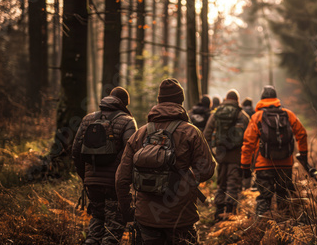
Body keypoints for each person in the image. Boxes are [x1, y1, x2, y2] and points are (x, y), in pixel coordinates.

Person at [116, 78, 216, 244]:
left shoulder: (140, 134)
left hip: (146, 218)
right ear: (180, 101)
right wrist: (187, 181)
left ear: (159, 101)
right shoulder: (191, 132)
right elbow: (207, 170)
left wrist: (129, 213)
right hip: (181, 217)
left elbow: (121, 179)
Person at [72, 87, 137, 245]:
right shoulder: (128, 121)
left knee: (97, 219)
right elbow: (132, 154)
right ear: (125, 103)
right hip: (114, 184)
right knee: (114, 226)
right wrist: (125, 179)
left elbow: (76, 151)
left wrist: (86, 177)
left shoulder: (88, 119)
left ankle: (91, 241)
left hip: (91, 182)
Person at [241, 85, 308, 215]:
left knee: (264, 199)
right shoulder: (288, 114)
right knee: (283, 197)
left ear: (262, 98)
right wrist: (303, 154)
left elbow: (248, 143)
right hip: (285, 164)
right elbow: (302, 134)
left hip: (263, 165)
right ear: (276, 98)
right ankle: (286, 228)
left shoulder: (257, 117)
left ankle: (261, 227)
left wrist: (245, 166)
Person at [203, 89, 250, 222]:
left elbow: (206, 134)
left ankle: (218, 214)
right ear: (237, 100)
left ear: (225, 99)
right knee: (233, 185)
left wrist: (212, 152)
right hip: (236, 156)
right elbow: (250, 138)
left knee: (221, 185)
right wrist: (248, 160)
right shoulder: (242, 115)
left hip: (221, 156)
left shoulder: (216, 113)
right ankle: (230, 215)